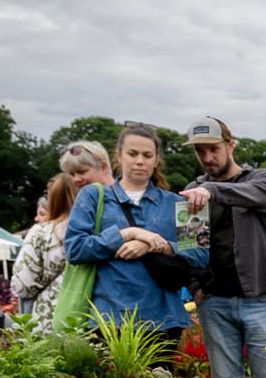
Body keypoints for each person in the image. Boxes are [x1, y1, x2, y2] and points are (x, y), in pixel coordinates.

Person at [179, 116, 266, 378]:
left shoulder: (262, 180)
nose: (208, 158)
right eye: (200, 152)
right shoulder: (193, 194)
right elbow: (188, 247)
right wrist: (196, 287)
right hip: (216, 302)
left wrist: (209, 190)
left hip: (262, 299)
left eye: (213, 149)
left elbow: (255, 196)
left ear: (230, 144)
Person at [64, 124, 197, 342]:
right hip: (108, 319)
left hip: (163, 321)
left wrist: (157, 245)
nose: (140, 161)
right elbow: (75, 249)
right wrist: (126, 234)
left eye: (147, 155)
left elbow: (200, 251)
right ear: (119, 156)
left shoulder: (178, 202)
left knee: (159, 377)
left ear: (156, 160)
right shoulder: (92, 196)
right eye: (132, 153)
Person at [10, 174, 75, 318]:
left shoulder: (41, 232)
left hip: (48, 313)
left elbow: (22, 284)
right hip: (84, 312)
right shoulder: (92, 230)